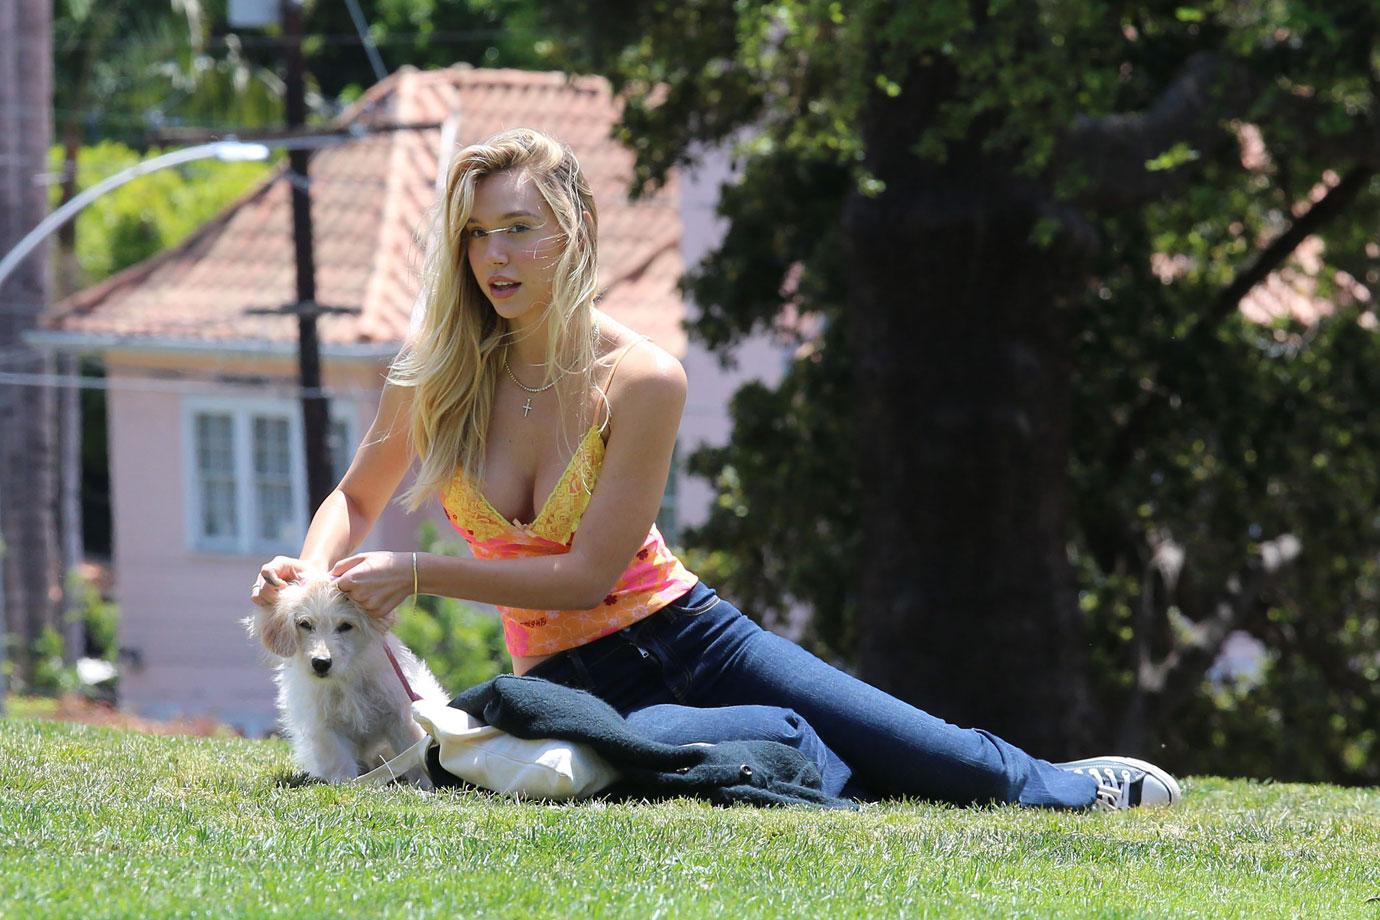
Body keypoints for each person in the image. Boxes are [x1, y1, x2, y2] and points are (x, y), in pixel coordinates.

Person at [250, 127, 1181, 810]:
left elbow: (589, 576)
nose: (497, 256)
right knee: (763, 758)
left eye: (521, 229)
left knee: (950, 765)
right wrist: (308, 575)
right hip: (572, 683)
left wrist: (416, 573)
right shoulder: (438, 367)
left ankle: (1073, 787)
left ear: (574, 229)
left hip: (695, 635)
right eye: (479, 234)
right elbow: (355, 495)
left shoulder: (643, 378)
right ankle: (822, 763)